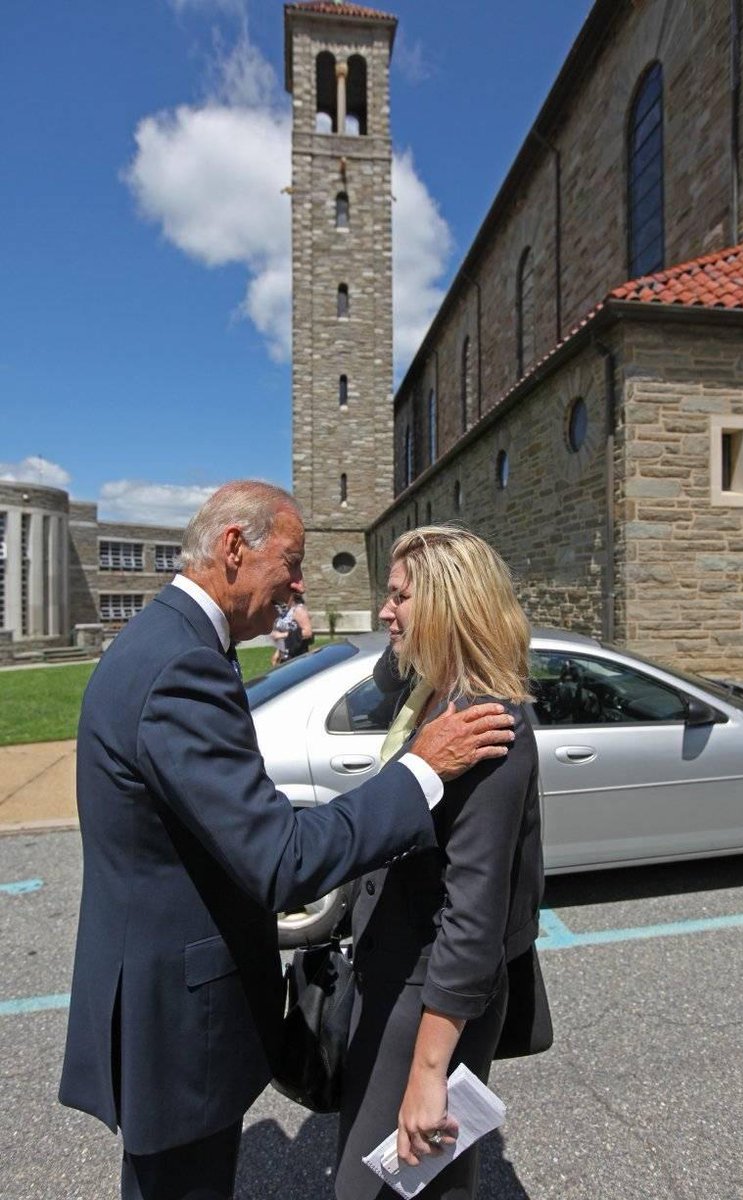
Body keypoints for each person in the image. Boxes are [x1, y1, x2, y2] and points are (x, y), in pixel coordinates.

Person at [58, 482, 516, 1200]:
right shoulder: (181, 662)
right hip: (175, 1021)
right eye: (293, 562)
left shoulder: (165, 640)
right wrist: (422, 767)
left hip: (162, 1001)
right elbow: (281, 859)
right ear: (235, 547)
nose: (300, 586)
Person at [336, 526, 544, 1200]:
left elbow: (475, 913)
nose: (383, 611)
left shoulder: (487, 722)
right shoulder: (426, 692)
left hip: (430, 995)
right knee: (420, 1180)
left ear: (450, 604)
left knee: (381, 1186)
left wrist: (430, 1070)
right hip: (392, 972)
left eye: (400, 596)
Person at [271, 593, 314, 666]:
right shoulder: (287, 610)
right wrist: (278, 652)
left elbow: (308, 632)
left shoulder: (298, 610)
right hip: (287, 654)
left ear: (292, 596)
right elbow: (290, 632)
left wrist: (281, 635)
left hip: (298, 655)